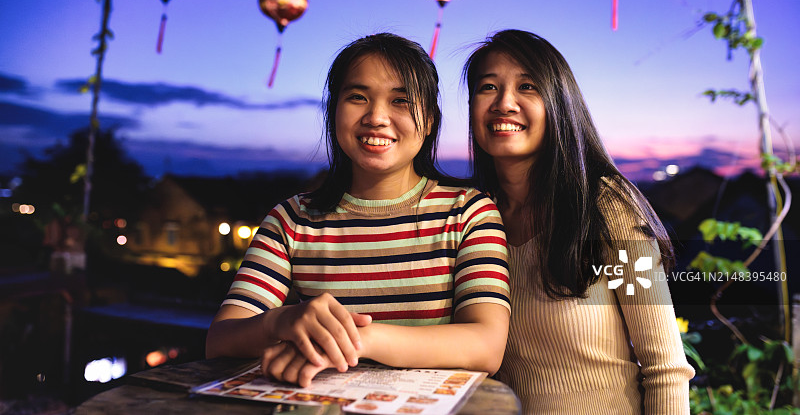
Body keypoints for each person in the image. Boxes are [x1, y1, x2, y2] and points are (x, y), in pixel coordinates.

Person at [206, 33, 510, 388]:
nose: (377, 117)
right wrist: (280, 323)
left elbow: (486, 346)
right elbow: (219, 341)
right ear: (334, 112)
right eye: (357, 97)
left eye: (401, 100)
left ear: (429, 122)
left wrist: (356, 340)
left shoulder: (468, 213)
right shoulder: (291, 220)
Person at [463, 29, 694, 414]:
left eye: (528, 86)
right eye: (488, 87)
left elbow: (665, 367)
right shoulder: (474, 218)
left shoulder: (606, 206)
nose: (505, 103)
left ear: (559, 103)